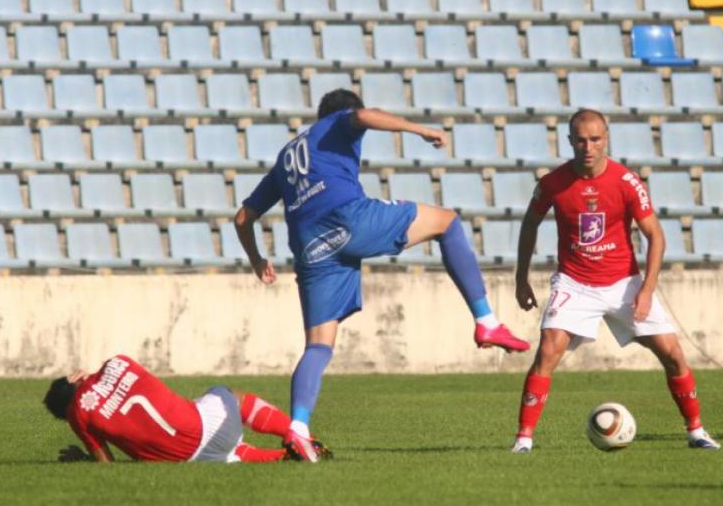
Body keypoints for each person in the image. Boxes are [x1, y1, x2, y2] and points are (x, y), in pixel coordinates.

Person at [235, 90, 532, 462]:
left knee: (318, 346)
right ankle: (486, 320)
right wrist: (419, 129)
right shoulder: (336, 123)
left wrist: (256, 259)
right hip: (347, 218)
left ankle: (298, 428)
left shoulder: (286, 158)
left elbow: (244, 216)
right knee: (448, 223)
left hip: (311, 245)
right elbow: (363, 117)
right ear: (343, 111)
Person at [511, 109, 720, 452]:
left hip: (623, 282)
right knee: (549, 349)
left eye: (595, 139)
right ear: (570, 141)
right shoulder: (552, 183)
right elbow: (529, 224)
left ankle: (696, 432)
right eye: (581, 140)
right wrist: (521, 279)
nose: (588, 147)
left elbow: (656, 236)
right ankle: (523, 439)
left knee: (672, 353)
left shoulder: (626, 182)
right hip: (574, 283)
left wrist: (647, 291)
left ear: (605, 139)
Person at [43, 354, 326, 463]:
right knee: (228, 395)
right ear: (74, 378)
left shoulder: (78, 415)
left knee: (233, 454)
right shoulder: (117, 361)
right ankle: (296, 436)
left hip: (182, 459)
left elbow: (107, 464)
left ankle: (283, 458)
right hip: (200, 424)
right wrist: (91, 374)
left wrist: (83, 458)